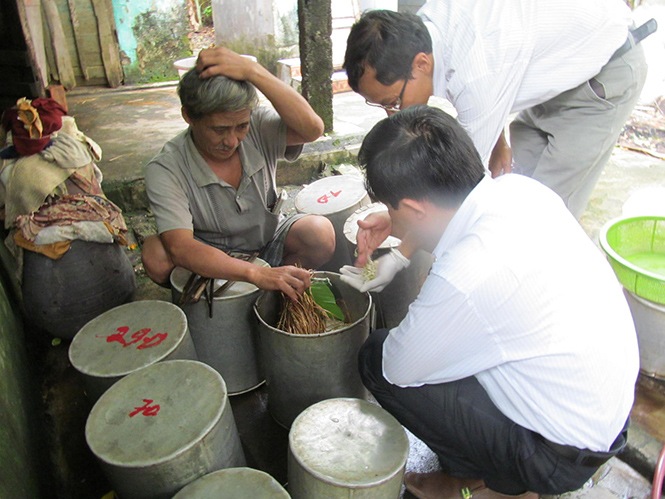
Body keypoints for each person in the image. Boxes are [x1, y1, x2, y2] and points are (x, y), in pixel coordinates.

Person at [342, 105, 639, 498]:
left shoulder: (466, 276)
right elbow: (445, 220)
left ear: (415, 208)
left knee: (376, 357)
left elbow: (399, 367)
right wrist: (400, 249)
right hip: (607, 412)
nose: (391, 219)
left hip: (557, 458)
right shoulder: (520, 190)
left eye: (394, 210)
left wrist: (405, 242)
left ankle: (487, 483)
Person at [343, 0, 653, 219]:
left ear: (421, 63)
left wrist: (404, 249)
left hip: (605, 71)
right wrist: (498, 141)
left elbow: (458, 188)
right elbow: (497, 79)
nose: (394, 115)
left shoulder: (477, 73)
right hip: (557, 66)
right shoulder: (429, 24)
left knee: (548, 210)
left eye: (393, 102)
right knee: (515, 182)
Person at [141, 47, 336, 301]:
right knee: (156, 255)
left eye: (240, 126)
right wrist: (255, 274)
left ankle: (275, 298)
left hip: (266, 240)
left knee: (318, 232)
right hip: (210, 254)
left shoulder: (256, 126)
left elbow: (313, 129)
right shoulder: (166, 168)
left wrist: (253, 71)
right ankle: (222, 300)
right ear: (188, 116)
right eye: (218, 129)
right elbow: (181, 247)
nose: (231, 140)